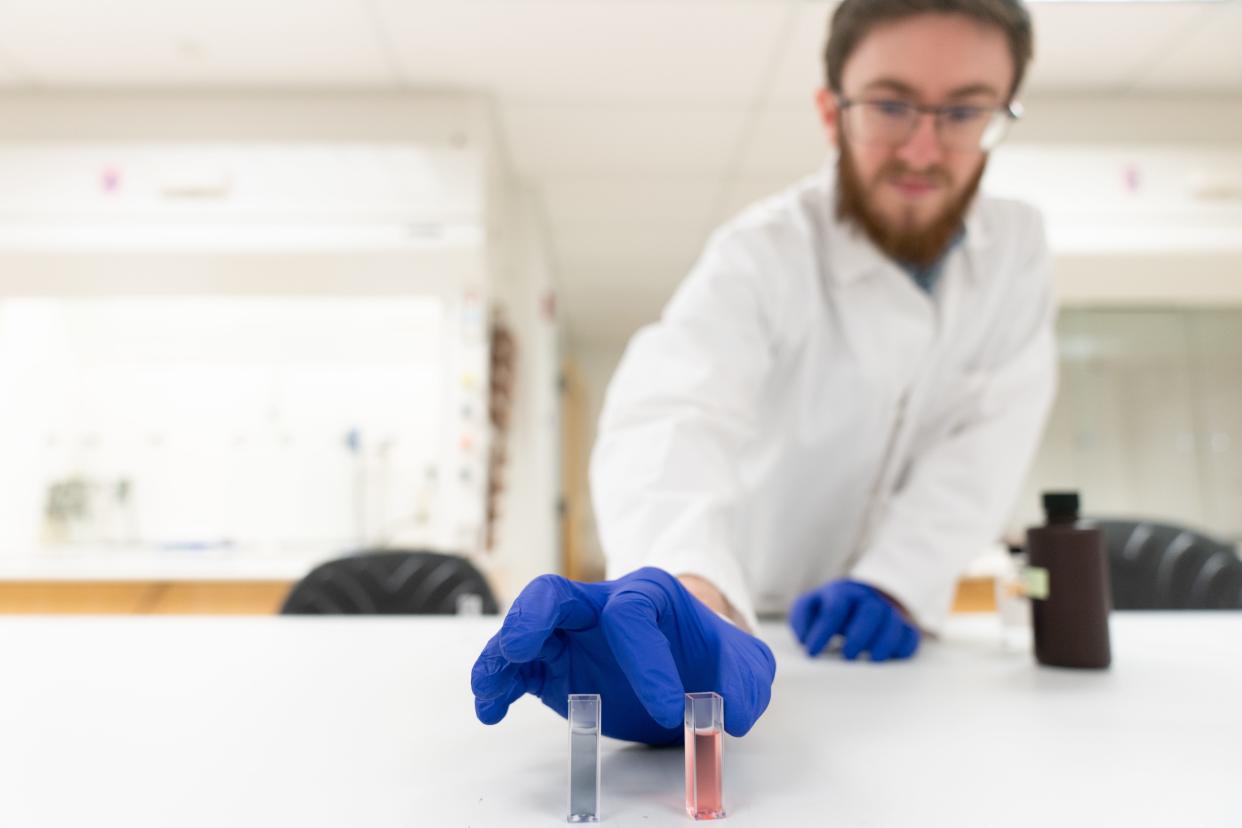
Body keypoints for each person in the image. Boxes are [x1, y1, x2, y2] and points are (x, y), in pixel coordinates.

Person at [471, 0, 1054, 746]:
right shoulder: (764, 252)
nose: (922, 149)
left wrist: (895, 581)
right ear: (829, 110)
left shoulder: (1018, 249)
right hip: (748, 621)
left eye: (965, 112)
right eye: (889, 106)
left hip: (904, 648)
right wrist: (695, 592)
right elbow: (673, 412)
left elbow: (991, 435)